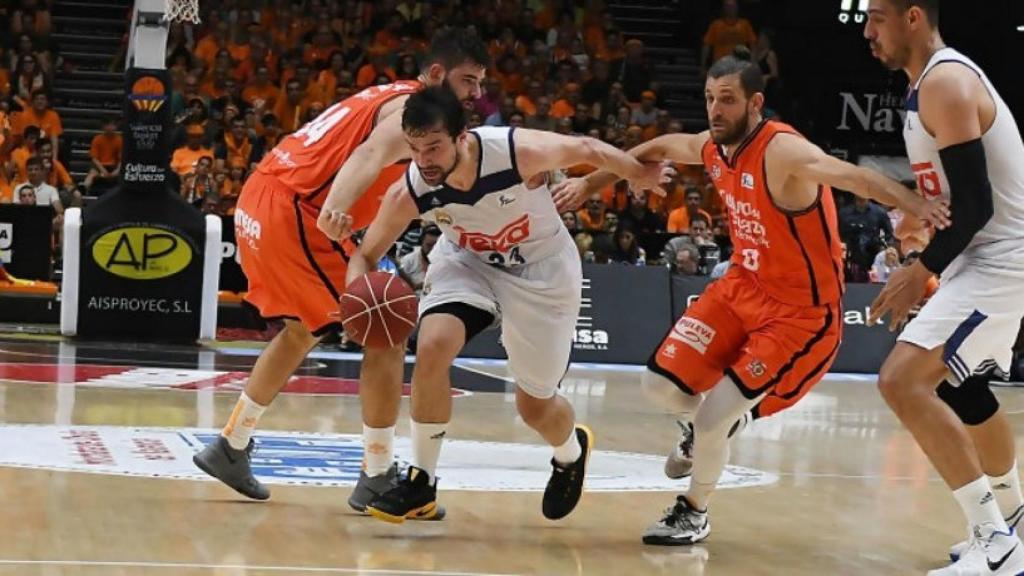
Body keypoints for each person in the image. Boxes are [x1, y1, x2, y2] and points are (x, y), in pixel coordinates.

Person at [551, 55, 948, 546]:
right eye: (709, 99)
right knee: (658, 385)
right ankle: (707, 431)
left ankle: (694, 511)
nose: (715, 110)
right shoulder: (714, 146)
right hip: (742, 287)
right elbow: (658, 146)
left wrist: (918, 206)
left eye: (728, 100)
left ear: (755, 102)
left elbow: (857, 178)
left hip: (799, 314)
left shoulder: (782, 150)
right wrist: (591, 181)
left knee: (713, 417)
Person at [191, 29, 490, 521]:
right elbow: (369, 154)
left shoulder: (390, 95)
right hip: (299, 210)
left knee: (301, 330)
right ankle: (377, 475)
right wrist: (336, 204)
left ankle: (232, 444)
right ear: (437, 74)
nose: (476, 93)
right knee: (387, 328)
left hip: (264, 196)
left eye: (479, 83)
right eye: (469, 80)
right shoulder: (411, 109)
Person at [342, 86, 662, 524]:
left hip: (541, 271)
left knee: (535, 408)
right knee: (432, 346)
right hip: (468, 261)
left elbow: (588, 148)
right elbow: (364, 254)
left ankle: (570, 454)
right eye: (414, 149)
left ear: (461, 137)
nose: (423, 160)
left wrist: (637, 174)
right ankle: (422, 483)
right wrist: (356, 296)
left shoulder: (515, 152)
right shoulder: (413, 189)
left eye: (433, 147)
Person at [864, 1, 1024, 573]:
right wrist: (922, 221)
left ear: (912, 17)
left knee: (902, 381)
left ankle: (995, 542)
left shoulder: (946, 82)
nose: (867, 31)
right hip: (982, 258)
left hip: (1002, 260)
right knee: (964, 389)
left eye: (877, 18)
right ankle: (1014, 524)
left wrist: (920, 268)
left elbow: (978, 206)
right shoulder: (923, 88)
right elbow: (963, 198)